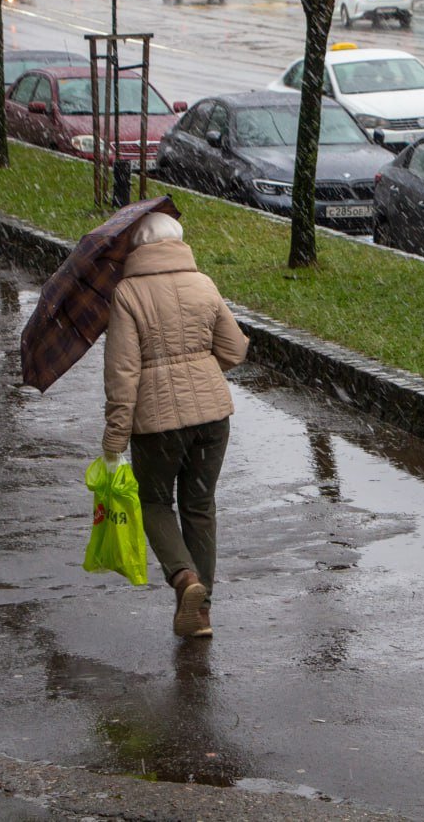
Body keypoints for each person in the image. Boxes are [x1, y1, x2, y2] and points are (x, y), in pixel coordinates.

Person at [102, 212, 249, 638]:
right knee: (200, 507)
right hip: (213, 418)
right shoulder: (203, 283)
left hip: (157, 426)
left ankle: (185, 578)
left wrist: (114, 439)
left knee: (152, 503)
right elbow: (235, 349)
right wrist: (200, 369)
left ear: (138, 248)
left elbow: (123, 373)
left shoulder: (127, 293)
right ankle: (201, 614)